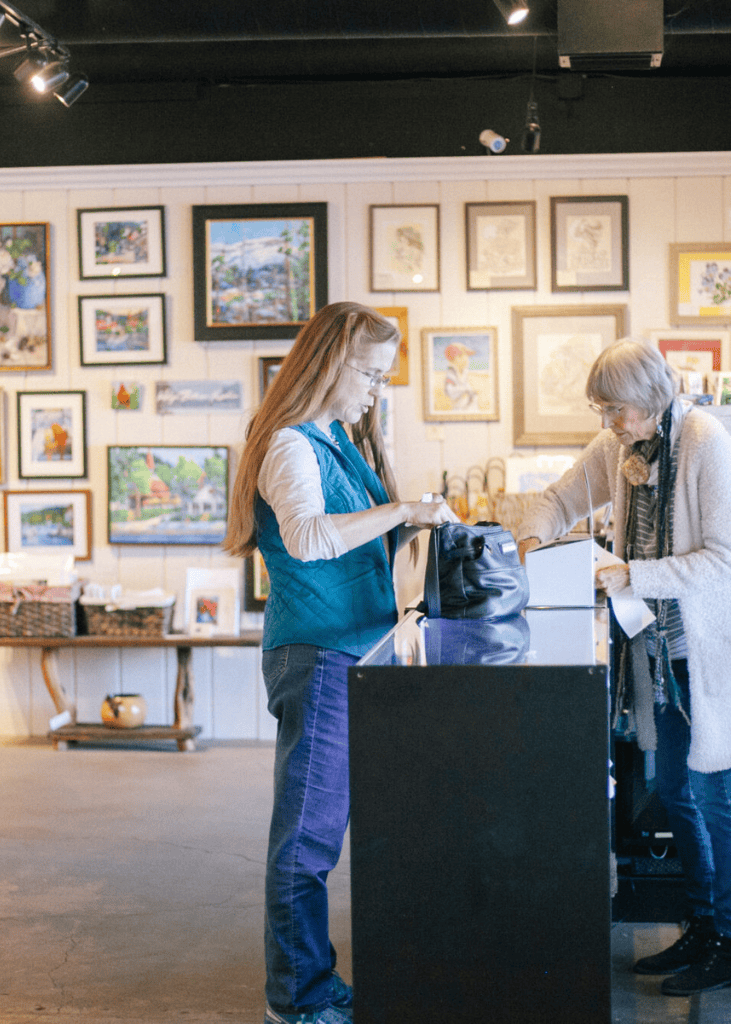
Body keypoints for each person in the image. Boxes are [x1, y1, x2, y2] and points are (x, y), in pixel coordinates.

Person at [224, 301, 458, 1024]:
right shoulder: (290, 445)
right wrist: (405, 511)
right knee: (307, 839)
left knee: (322, 833)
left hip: (357, 653)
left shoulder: (336, 438)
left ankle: (314, 986)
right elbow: (309, 539)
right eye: (370, 373)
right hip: (320, 656)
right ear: (331, 364)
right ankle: (297, 1001)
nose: (376, 389)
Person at [517, 339, 731, 997]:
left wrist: (631, 573)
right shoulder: (619, 446)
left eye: (617, 409)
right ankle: (703, 924)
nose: (609, 422)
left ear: (652, 396)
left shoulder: (704, 440)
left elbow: (723, 562)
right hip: (658, 653)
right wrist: (532, 543)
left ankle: (725, 939)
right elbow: (553, 501)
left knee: (712, 797)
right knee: (674, 793)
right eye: (603, 410)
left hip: (707, 649)